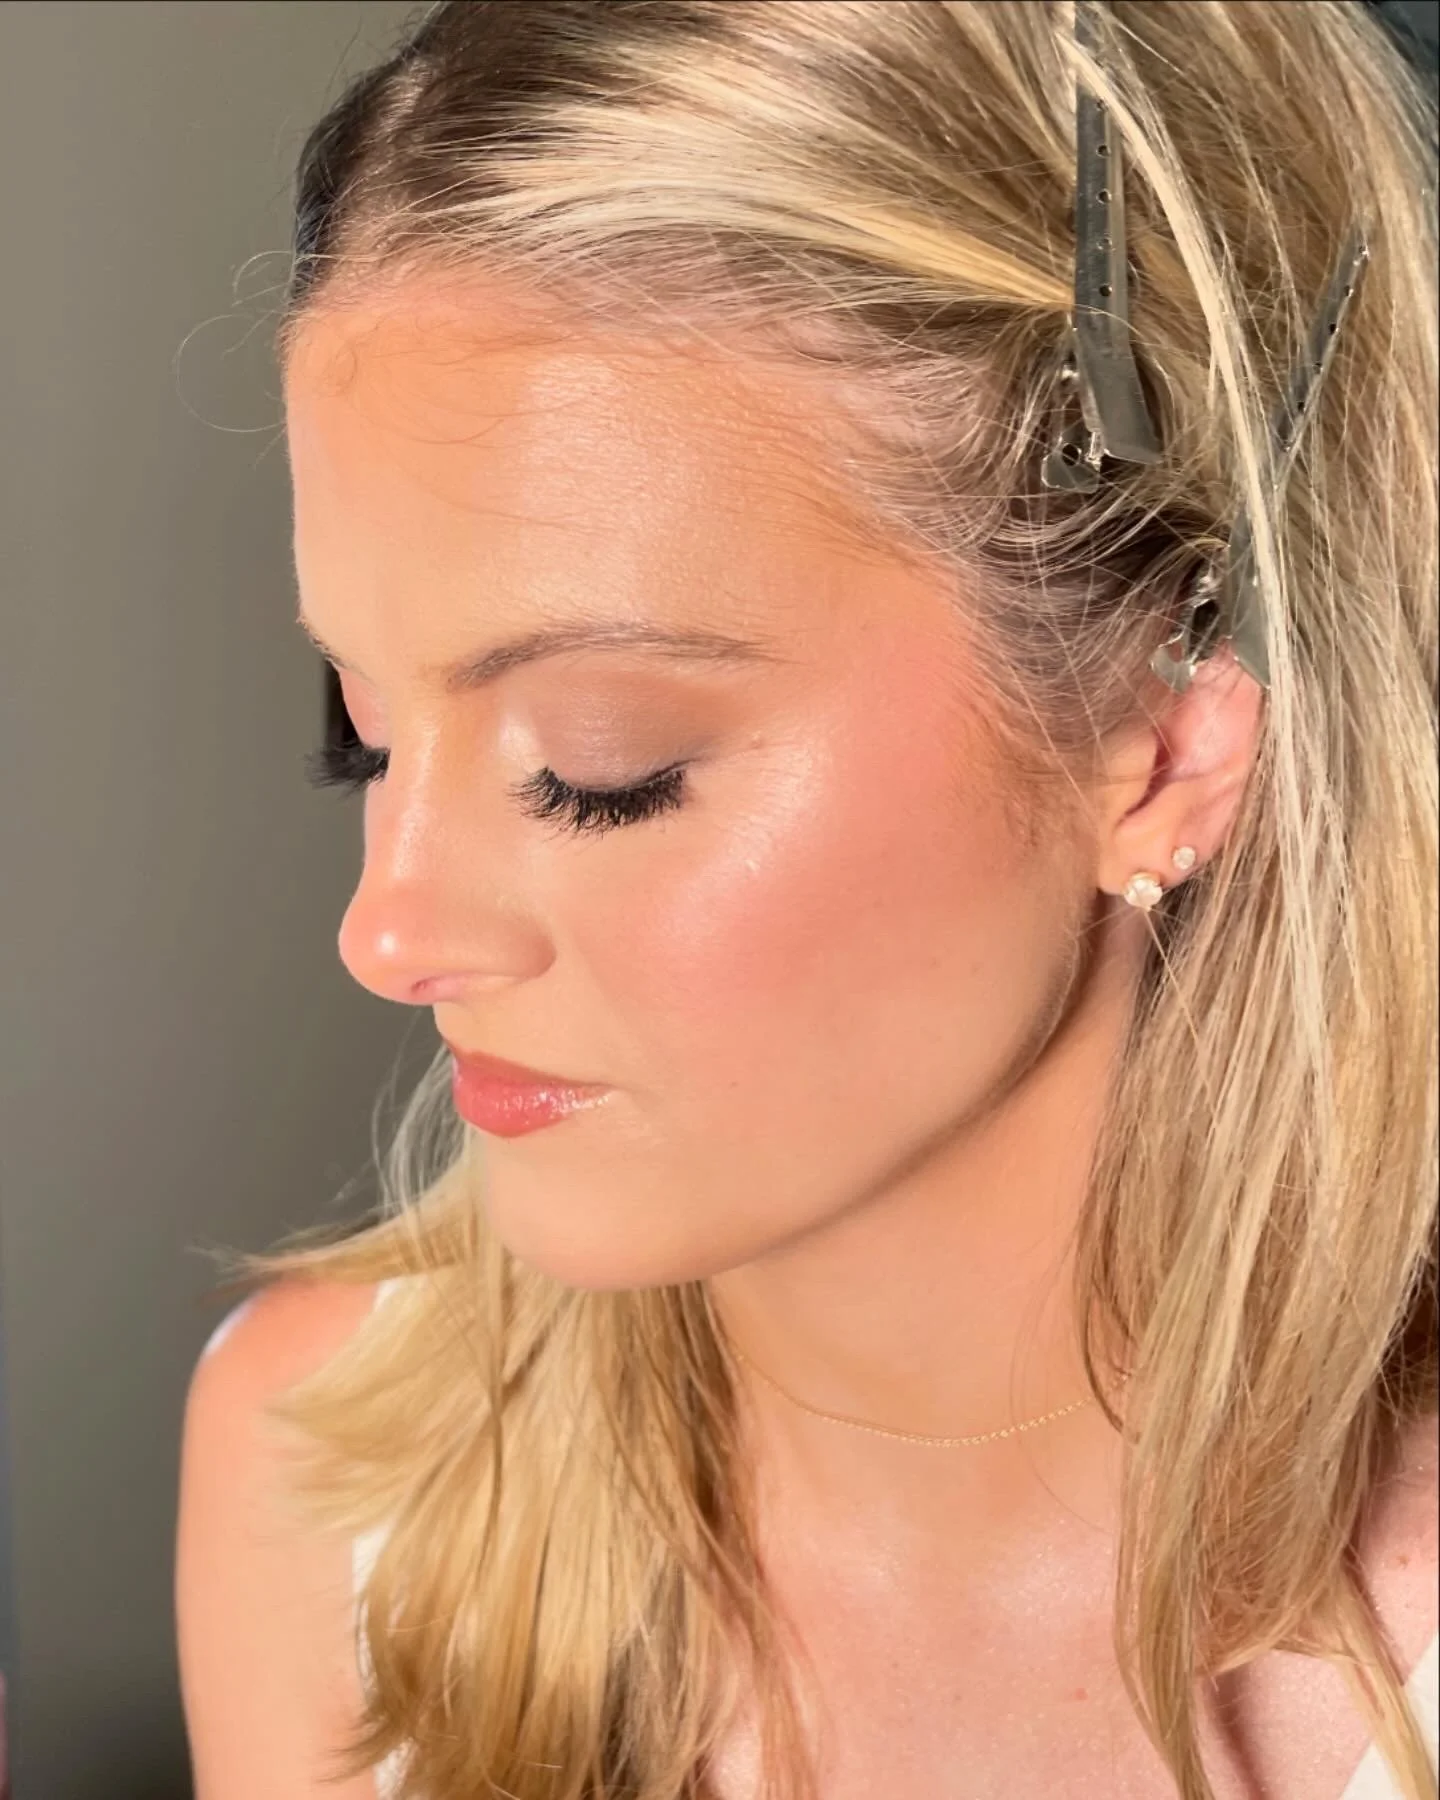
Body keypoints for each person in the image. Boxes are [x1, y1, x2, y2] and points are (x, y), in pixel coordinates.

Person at [174, 3, 1439, 1796]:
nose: (390, 934)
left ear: (1166, 745)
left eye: (595, 766)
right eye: (366, 729)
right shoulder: (337, 1479)